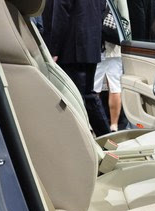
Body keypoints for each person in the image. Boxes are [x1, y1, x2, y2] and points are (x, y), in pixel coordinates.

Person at [43, 0, 110, 136]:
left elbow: (60, 13)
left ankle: (94, 138)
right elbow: (104, 8)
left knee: (72, 98)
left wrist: (54, 49)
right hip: (90, 43)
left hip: (71, 48)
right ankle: (106, 139)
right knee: (87, 96)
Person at [94, 40, 123, 132]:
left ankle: (93, 124)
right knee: (115, 88)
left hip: (97, 49)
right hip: (115, 49)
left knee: (94, 89)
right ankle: (114, 125)